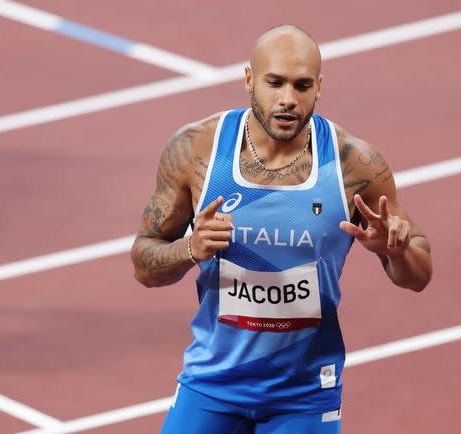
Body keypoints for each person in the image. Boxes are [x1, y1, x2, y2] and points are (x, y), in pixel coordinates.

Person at [131, 24, 432, 434]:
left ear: (319, 88)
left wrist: (395, 250)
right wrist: (189, 248)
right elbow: (144, 263)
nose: (288, 99)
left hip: (304, 396)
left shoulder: (354, 165)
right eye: (275, 83)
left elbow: (418, 275)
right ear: (249, 80)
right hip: (212, 385)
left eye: (302, 85)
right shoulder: (196, 151)